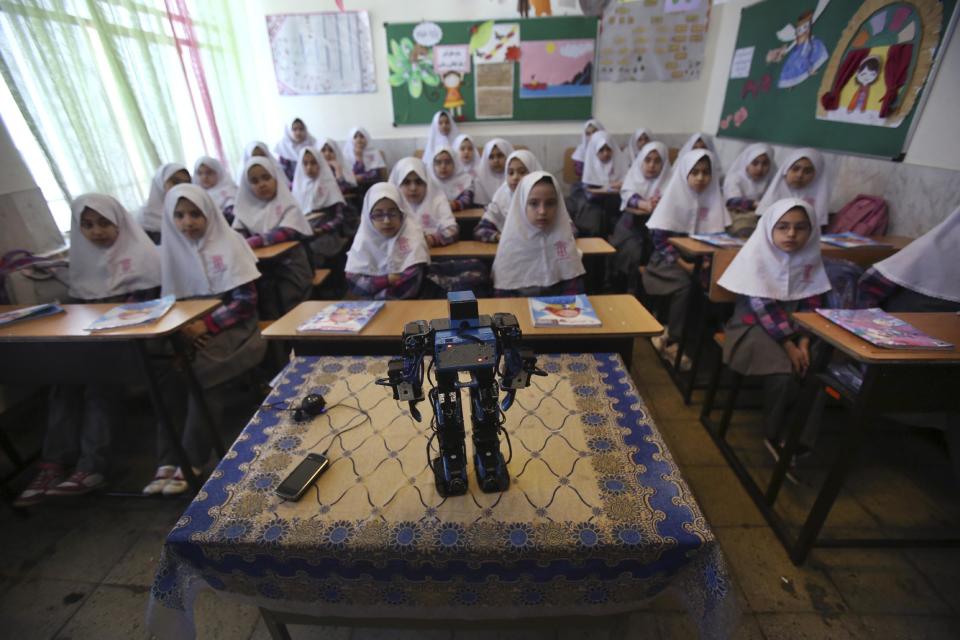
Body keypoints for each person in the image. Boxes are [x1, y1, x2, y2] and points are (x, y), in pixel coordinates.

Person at [15, 194, 161, 506]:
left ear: (120, 222)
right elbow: (83, 307)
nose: (97, 232)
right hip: (96, 346)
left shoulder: (144, 257)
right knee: (63, 383)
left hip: (135, 347)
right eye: (88, 225)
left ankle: (91, 466)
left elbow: (149, 309)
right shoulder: (84, 263)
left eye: (105, 223)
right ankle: (52, 464)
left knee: (97, 384)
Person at [145, 184, 266, 495]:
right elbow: (170, 301)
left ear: (209, 213)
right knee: (161, 371)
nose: (188, 222)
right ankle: (167, 459)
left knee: (200, 368)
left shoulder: (230, 242)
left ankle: (191, 458)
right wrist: (186, 330)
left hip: (235, 327)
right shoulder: (171, 250)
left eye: (195, 214)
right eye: (180, 215)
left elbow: (244, 302)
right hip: (187, 328)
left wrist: (207, 324)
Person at [718, 198, 832, 462]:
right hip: (753, 328)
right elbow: (763, 308)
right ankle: (772, 434)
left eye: (800, 227)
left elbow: (813, 301)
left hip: (798, 328)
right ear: (769, 228)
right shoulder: (757, 255)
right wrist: (791, 345)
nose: (791, 234)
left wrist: (804, 341)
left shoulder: (809, 257)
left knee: (817, 369)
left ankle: (799, 440)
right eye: (783, 227)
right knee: (783, 372)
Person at [642, 150, 729, 366]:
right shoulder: (673, 198)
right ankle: (673, 338)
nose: (701, 178)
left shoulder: (713, 199)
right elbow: (660, 242)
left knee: (719, 285)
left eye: (706, 173)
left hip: (701, 261)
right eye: (695, 172)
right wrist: (686, 265)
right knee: (686, 286)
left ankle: (710, 336)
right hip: (667, 261)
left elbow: (718, 237)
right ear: (685, 174)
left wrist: (708, 261)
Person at [233, 157, 314, 318]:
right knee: (267, 308)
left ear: (275, 178)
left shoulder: (287, 203)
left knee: (294, 310)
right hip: (261, 270)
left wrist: (253, 241)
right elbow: (236, 236)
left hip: (291, 266)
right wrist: (242, 242)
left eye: (266, 177)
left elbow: (286, 231)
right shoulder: (243, 210)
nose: (262, 184)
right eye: (254, 181)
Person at [492, 171, 586, 297]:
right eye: (533, 204)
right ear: (522, 205)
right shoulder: (510, 245)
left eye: (550, 203)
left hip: (559, 311)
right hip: (520, 310)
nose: (542, 211)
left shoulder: (563, 240)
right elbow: (503, 295)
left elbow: (573, 288)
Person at [344, 182, 430, 299]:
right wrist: (387, 280)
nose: (386, 221)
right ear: (368, 217)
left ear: (402, 214)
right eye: (378, 215)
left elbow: (410, 288)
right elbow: (355, 284)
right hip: (372, 308)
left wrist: (375, 290)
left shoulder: (413, 240)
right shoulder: (362, 241)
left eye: (393, 213)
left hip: (409, 306)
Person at [608, 141, 671, 291]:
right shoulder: (633, 176)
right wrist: (645, 204)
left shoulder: (670, 181)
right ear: (640, 161)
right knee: (631, 252)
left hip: (659, 231)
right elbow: (629, 195)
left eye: (657, 161)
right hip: (631, 228)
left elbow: (672, 200)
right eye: (647, 160)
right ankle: (624, 290)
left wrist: (660, 202)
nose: (651, 165)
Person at [291, 146, 347, 267]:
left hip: (326, 233)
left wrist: (322, 229)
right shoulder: (298, 188)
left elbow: (339, 217)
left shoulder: (329, 184)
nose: (309, 167)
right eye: (305, 163)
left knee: (317, 247)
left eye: (313, 163)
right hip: (306, 232)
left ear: (320, 164)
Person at [474, 149, 542, 243]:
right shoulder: (502, 196)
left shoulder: (545, 196)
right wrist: (498, 237)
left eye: (522, 172)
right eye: (510, 173)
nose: (515, 177)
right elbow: (480, 230)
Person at [757, 147, 830, 228]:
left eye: (807, 171)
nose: (799, 175)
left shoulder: (819, 203)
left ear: (817, 176)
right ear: (786, 170)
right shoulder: (772, 197)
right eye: (795, 169)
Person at [574, 131, 630, 237]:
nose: (606, 153)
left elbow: (629, 186)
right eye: (601, 150)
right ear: (595, 151)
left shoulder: (620, 163)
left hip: (616, 205)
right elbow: (589, 193)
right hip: (594, 207)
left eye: (608, 149)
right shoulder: (591, 165)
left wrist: (622, 185)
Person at [723, 143, 776, 237]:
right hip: (739, 216)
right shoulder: (735, 178)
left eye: (765, 164)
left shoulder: (772, 180)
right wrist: (755, 204)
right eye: (755, 163)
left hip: (763, 217)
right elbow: (732, 201)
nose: (760, 168)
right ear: (747, 163)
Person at [137, 163, 190, 243]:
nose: (181, 186)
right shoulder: (146, 215)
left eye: (186, 183)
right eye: (175, 182)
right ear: (160, 182)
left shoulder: (193, 207)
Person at [427, 145, 474, 212]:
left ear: (455, 163)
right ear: (432, 165)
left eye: (448, 162)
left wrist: (454, 205)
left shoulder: (465, 180)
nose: (443, 166)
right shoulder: (428, 181)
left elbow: (467, 200)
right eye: (438, 162)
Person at [193, 156, 238, 224]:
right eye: (200, 173)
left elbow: (232, 216)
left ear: (219, 173)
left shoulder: (230, 191)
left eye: (209, 172)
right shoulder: (195, 195)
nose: (204, 177)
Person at [473, 138, 515, 206]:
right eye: (491, 157)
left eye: (500, 156)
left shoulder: (516, 178)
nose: (496, 160)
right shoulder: (480, 180)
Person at [274, 117, 316, 183]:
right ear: (289, 131)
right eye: (294, 129)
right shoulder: (284, 149)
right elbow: (283, 175)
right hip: (291, 187)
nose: (298, 132)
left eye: (301, 129)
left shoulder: (313, 144)